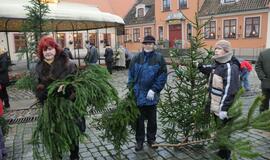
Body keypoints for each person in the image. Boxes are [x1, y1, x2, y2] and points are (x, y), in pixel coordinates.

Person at [35, 36, 85, 160]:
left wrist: (67, 89)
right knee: (55, 137)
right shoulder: (38, 68)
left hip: (69, 109)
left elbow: (78, 85)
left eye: (50, 49)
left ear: (56, 49)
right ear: (41, 52)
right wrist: (45, 93)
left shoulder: (69, 65)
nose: (48, 52)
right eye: (44, 50)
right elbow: (37, 88)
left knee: (72, 137)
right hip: (51, 111)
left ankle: (74, 156)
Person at [198, 40, 240, 160]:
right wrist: (200, 66)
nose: (216, 50)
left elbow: (230, 90)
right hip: (216, 106)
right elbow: (210, 69)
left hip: (225, 108)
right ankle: (221, 152)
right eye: (215, 48)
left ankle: (226, 156)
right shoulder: (217, 64)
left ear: (226, 51)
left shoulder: (230, 67)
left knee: (225, 133)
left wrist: (224, 109)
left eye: (219, 48)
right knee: (220, 130)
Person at [128, 35, 167, 151]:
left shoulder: (159, 58)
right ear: (143, 44)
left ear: (154, 45)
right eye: (146, 43)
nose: (148, 45)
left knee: (152, 120)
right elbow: (130, 74)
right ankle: (139, 141)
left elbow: (162, 76)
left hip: (151, 95)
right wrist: (131, 88)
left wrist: (154, 89)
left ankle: (151, 139)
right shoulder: (136, 58)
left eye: (150, 44)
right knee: (139, 120)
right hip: (138, 94)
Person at [255, 48, 270, 113]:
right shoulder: (264, 53)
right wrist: (263, 78)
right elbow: (258, 66)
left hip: (266, 83)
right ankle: (262, 121)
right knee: (264, 105)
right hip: (266, 84)